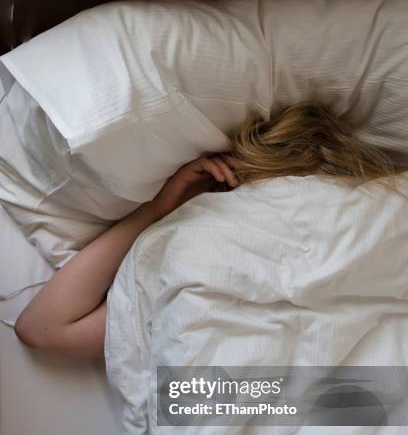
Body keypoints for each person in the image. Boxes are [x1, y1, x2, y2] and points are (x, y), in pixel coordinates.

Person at [14, 102, 404, 357]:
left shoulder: (386, 212)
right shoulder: (200, 241)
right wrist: (159, 209)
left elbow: (43, 329)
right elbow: (42, 329)